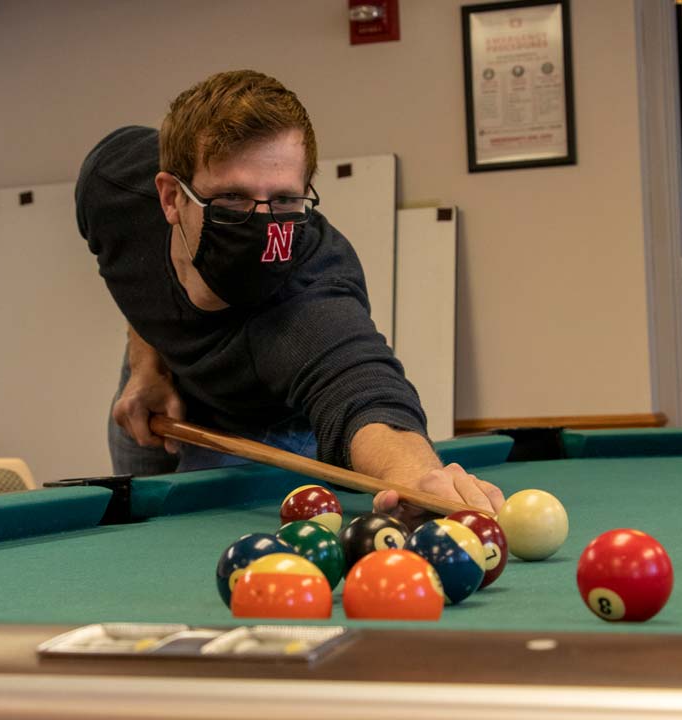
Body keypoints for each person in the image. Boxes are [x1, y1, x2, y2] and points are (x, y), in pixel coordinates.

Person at [75, 69, 503, 521]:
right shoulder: (114, 187)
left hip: (264, 418)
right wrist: (146, 367)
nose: (261, 223)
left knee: (193, 533)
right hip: (161, 387)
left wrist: (417, 477)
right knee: (138, 527)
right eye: (233, 199)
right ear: (169, 198)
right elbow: (136, 279)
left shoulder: (307, 293)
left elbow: (360, 386)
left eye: (283, 200)